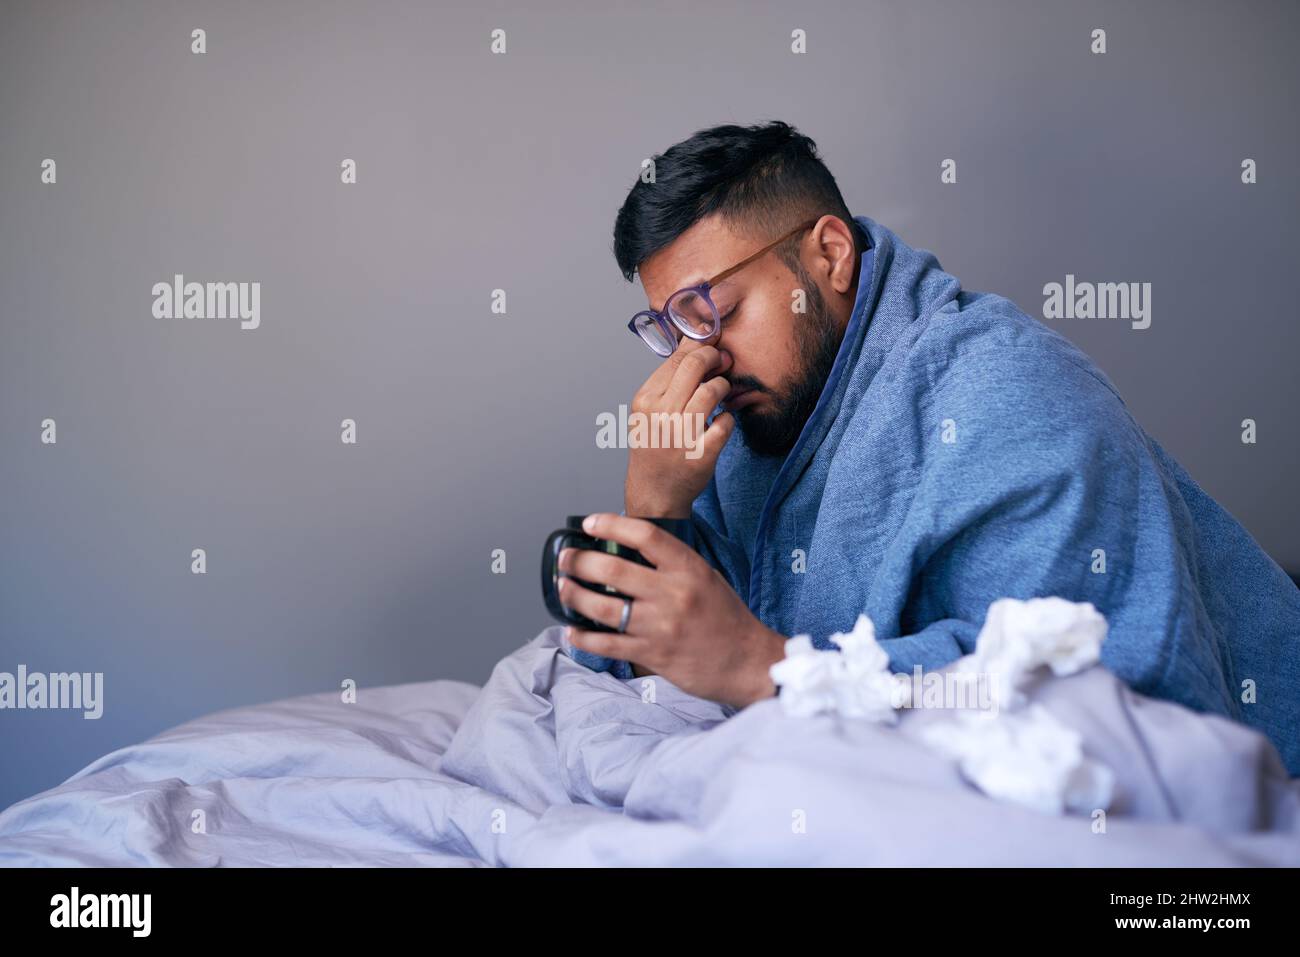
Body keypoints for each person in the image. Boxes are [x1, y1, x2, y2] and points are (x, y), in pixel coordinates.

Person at [553, 120, 1300, 775]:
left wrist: (764, 665)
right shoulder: (746, 419)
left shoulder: (1008, 393)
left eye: (716, 309)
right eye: (672, 328)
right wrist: (654, 509)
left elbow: (1103, 704)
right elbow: (636, 671)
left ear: (832, 255)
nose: (698, 357)